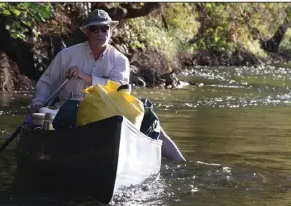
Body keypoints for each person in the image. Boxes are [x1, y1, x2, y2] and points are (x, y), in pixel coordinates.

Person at [30, 9, 186, 162]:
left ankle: (180, 163)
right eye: (94, 29)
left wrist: (87, 77)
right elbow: (47, 82)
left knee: (148, 117)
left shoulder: (120, 60)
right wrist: (38, 101)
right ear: (87, 32)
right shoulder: (67, 55)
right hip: (68, 109)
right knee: (46, 113)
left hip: (106, 113)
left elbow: (119, 88)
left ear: (111, 31)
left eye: (105, 28)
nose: (100, 33)